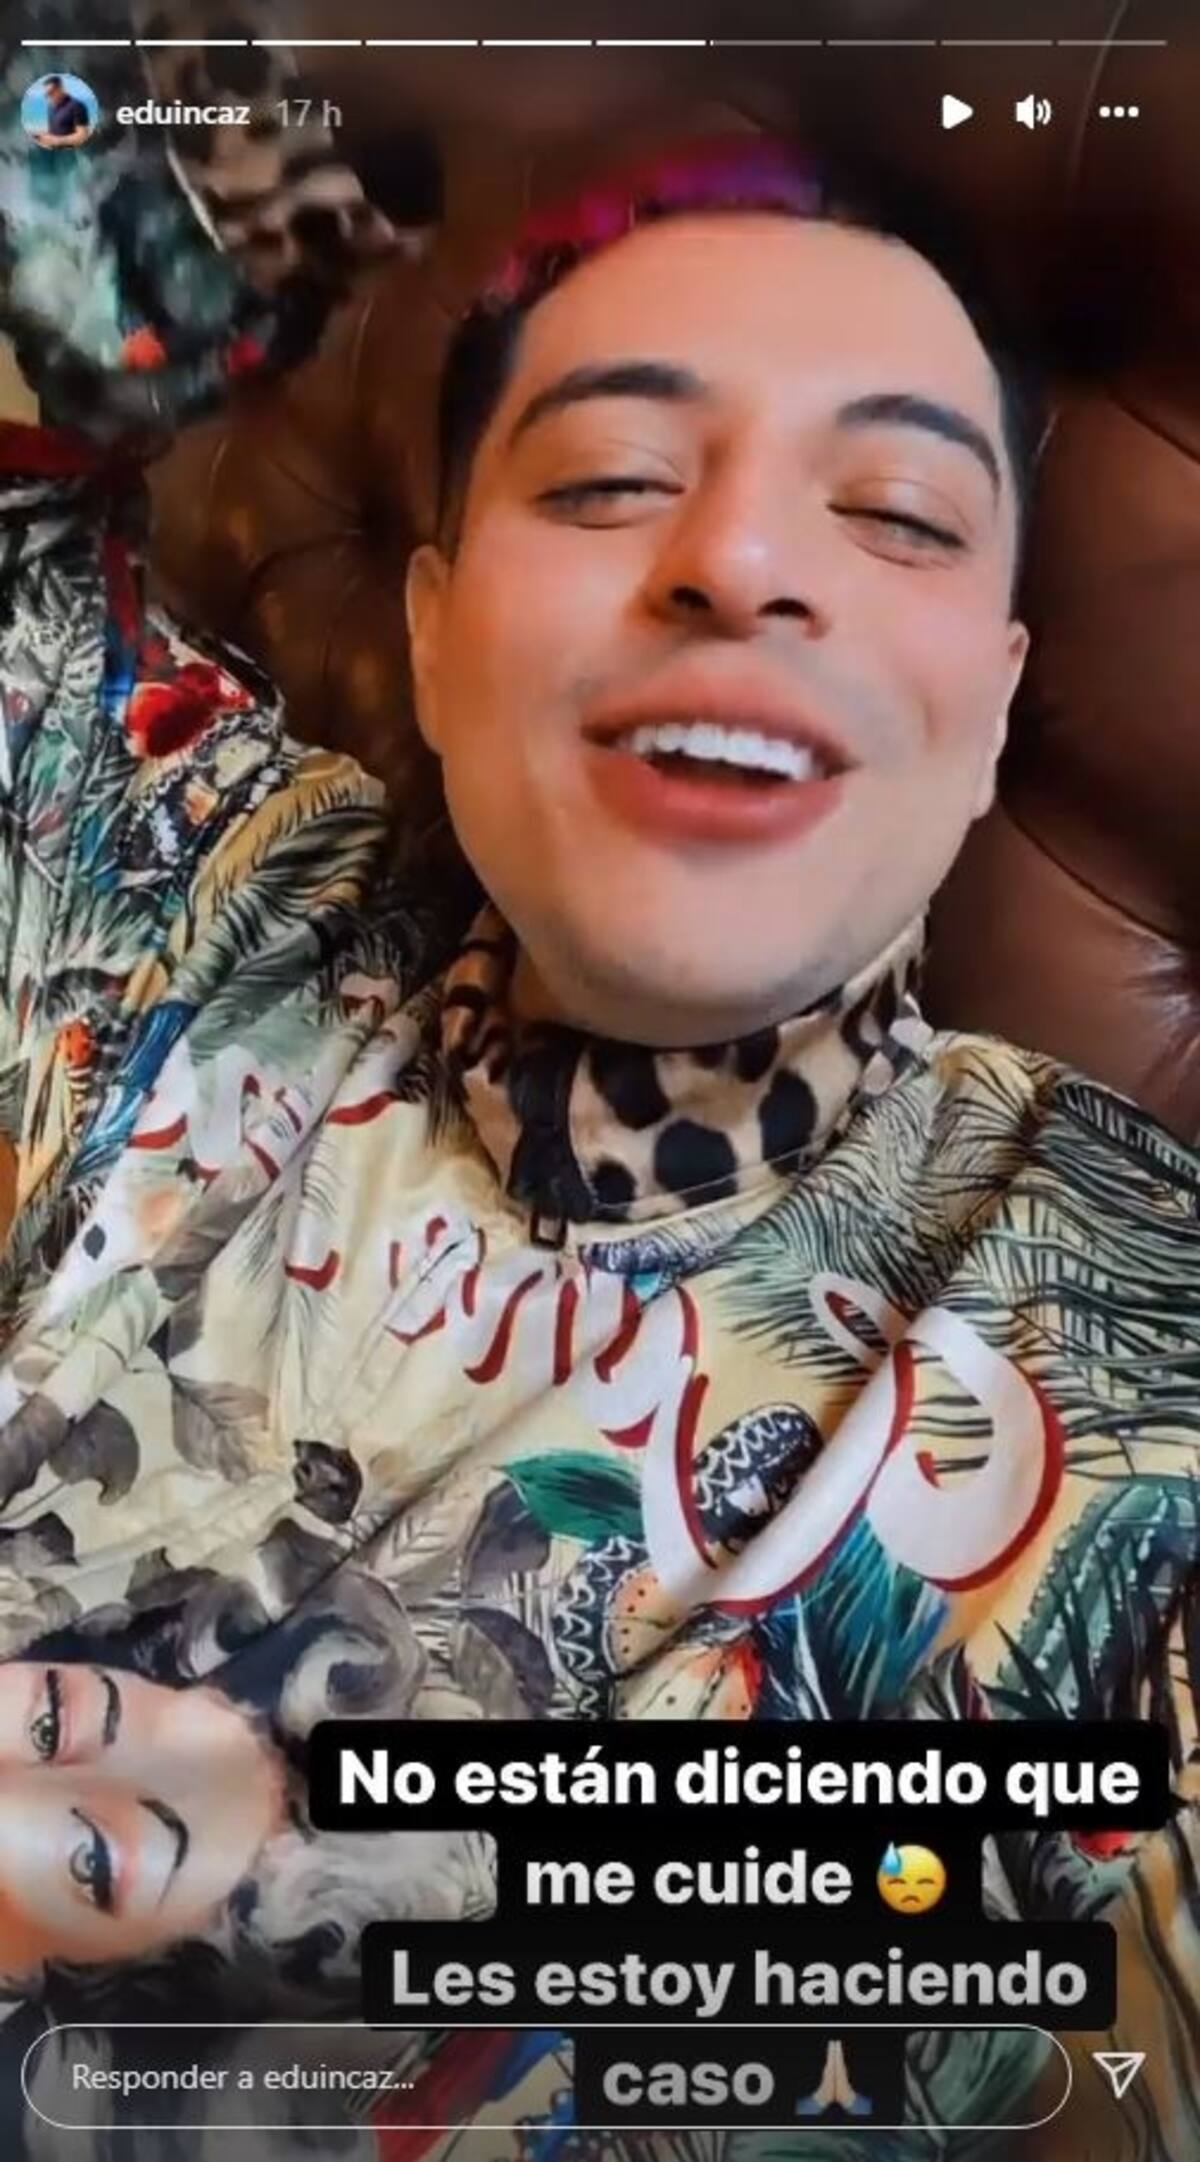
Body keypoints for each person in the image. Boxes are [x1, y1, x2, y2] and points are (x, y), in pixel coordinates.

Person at [1, 10, 1197, 2160]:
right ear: (436, 634)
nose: (740, 560)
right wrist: (321, 110)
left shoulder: (1139, 1346)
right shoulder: (175, 877)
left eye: (898, 514)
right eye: (613, 476)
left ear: (998, 707)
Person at [29, 75, 94, 151]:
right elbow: (55, 131)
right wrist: (42, 136)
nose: (49, 96)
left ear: (61, 88)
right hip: (54, 151)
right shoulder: (50, 107)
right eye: (47, 94)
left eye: (51, 92)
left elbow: (82, 136)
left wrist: (57, 141)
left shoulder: (77, 106)